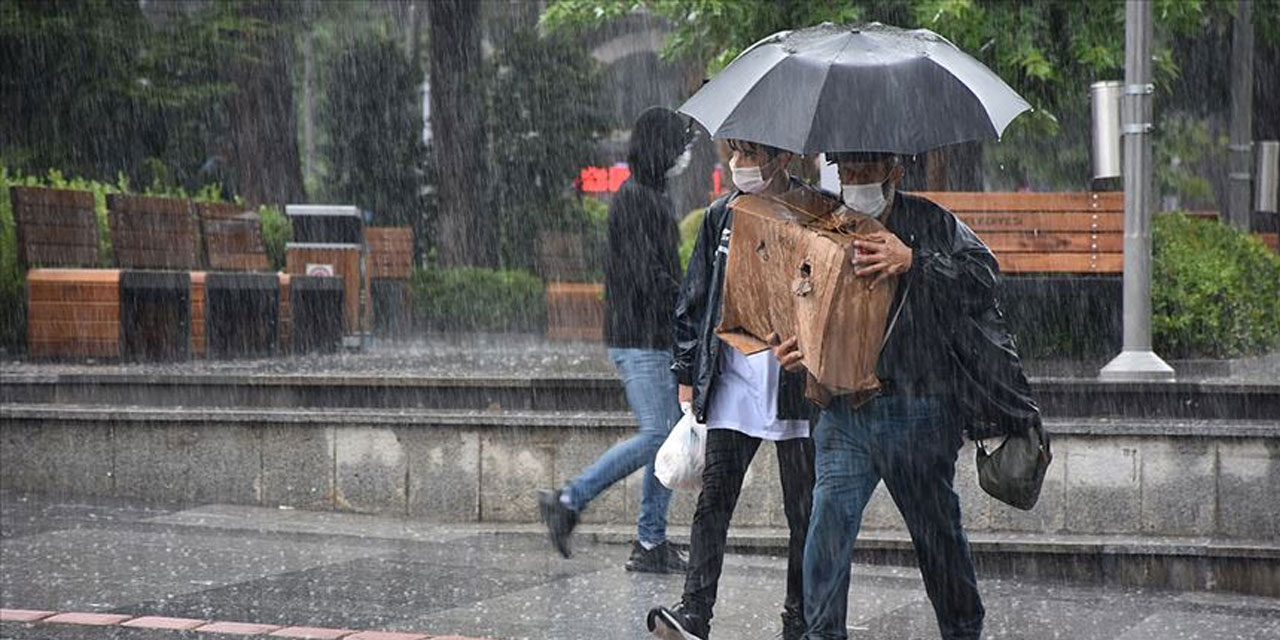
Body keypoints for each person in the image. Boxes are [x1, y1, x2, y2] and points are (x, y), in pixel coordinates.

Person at [779, 151, 1034, 640]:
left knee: (936, 534)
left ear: (894, 171)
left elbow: (984, 279)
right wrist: (793, 347)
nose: (854, 181)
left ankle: (962, 629)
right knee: (826, 532)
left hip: (917, 406)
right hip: (842, 409)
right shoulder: (822, 225)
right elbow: (795, 300)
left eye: (866, 171)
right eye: (845, 171)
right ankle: (822, 634)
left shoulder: (929, 221)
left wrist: (913, 261)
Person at [646, 139, 824, 640]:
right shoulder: (720, 216)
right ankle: (694, 613)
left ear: (783, 158)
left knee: (804, 510)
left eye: (752, 155)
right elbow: (694, 297)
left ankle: (800, 618)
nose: (740, 166)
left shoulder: (816, 215)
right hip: (733, 382)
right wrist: (686, 374)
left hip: (795, 383)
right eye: (736, 154)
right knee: (714, 502)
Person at [538, 106, 693, 574]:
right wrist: (689, 301)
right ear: (661, 148)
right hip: (639, 338)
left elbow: (658, 270)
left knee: (665, 441)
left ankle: (650, 543)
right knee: (656, 437)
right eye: (678, 146)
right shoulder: (635, 198)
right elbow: (648, 274)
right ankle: (569, 498)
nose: (683, 155)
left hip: (654, 336)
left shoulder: (650, 195)